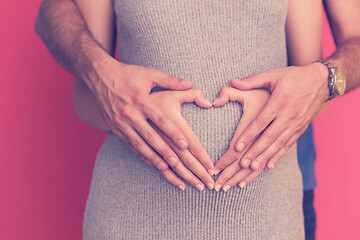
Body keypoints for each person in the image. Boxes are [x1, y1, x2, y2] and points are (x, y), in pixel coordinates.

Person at [34, 0, 360, 239]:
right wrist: (118, 95)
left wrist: (321, 81)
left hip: (266, 213)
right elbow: (89, 98)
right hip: (133, 211)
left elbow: (311, 91)